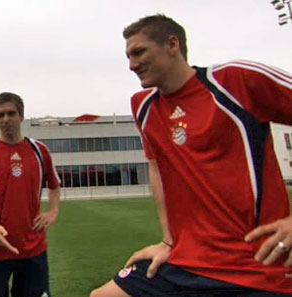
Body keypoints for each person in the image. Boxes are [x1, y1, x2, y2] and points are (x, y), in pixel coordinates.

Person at [90, 14, 292, 297]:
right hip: (186, 262)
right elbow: (157, 168)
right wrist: (169, 242)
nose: (132, 65)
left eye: (139, 52)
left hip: (255, 266)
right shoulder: (144, 105)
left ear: (172, 45)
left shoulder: (234, 81)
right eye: (128, 56)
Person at [0, 92, 61, 297]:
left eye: (11, 113)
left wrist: (53, 212)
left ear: (21, 116)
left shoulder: (40, 150)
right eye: (0, 115)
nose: (6, 119)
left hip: (33, 248)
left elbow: (54, 185)